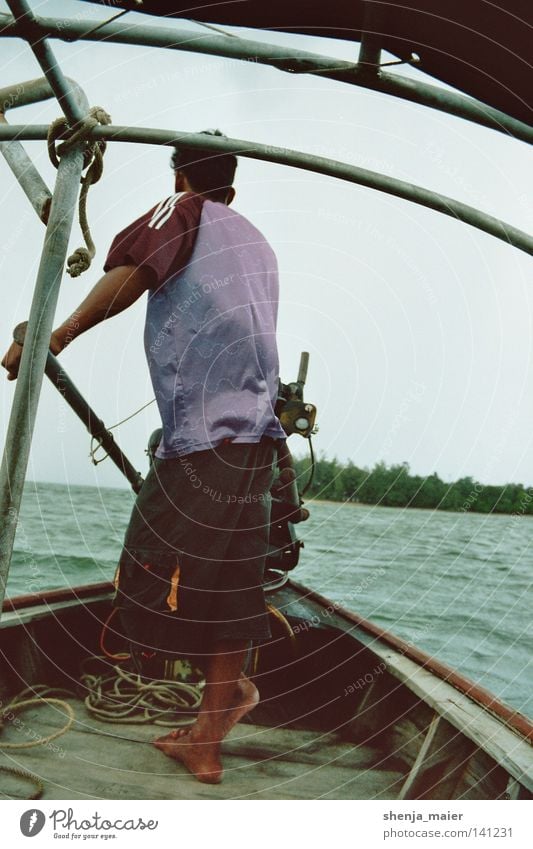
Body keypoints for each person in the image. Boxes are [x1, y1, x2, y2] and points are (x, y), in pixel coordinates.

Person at [2, 130, 286, 784]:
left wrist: (56, 336)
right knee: (233, 594)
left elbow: (132, 276)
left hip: (203, 443)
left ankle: (223, 708)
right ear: (232, 188)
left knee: (144, 575)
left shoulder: (180, 210)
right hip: (256, 442)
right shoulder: (258, 244)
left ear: (180, 177)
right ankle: (207, 737)